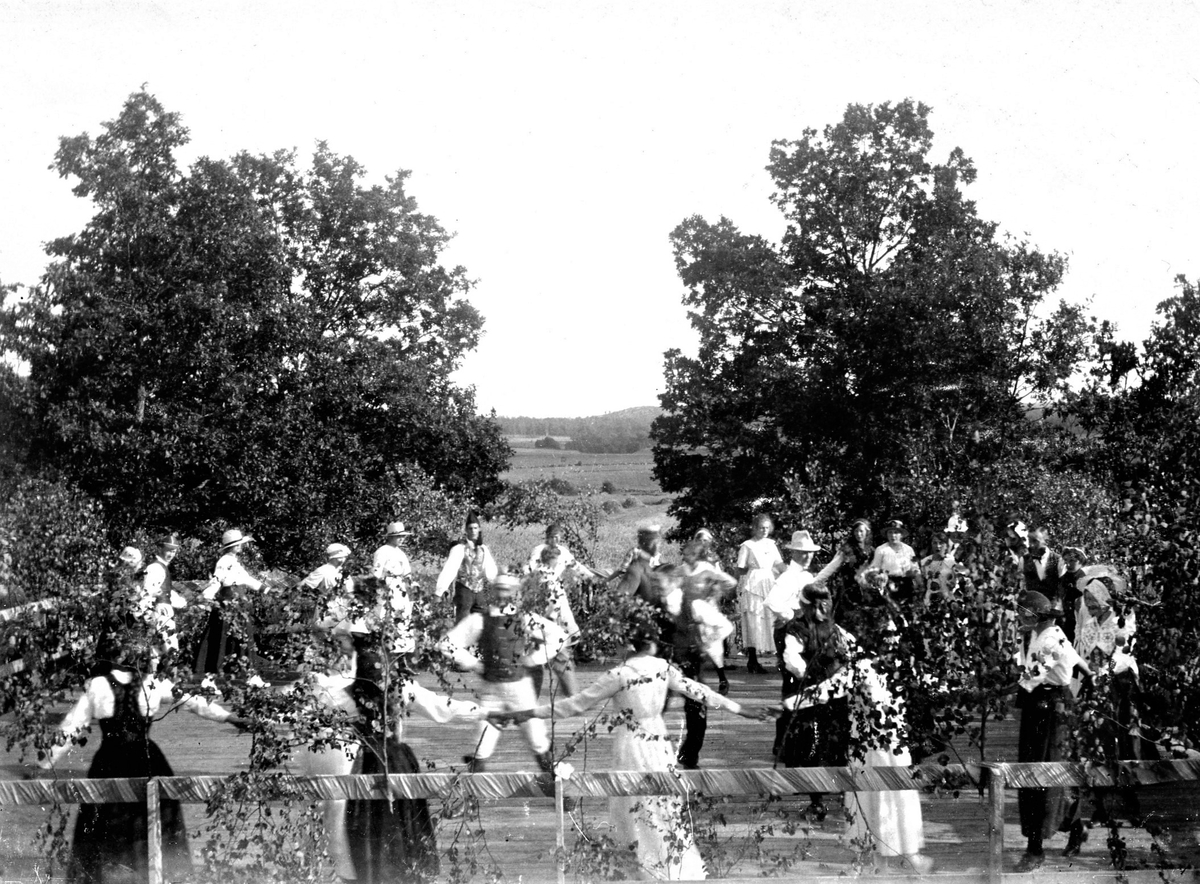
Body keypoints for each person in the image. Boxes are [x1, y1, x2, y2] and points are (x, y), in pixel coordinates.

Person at [494, 612, 767, 881]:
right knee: (663, 800)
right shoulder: (662, 668)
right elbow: (701, 692)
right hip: (658, 739)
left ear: (630, 644)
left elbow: (575, 704)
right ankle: (671, 859)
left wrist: (530, 712)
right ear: (653, 644)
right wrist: (740, 709)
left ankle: (640, 862)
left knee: (631, 799)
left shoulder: (619, 674)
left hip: (630, 741)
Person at [299, 576, 487, 882]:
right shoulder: (361, 686)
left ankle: (372, 874)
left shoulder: (365, 688)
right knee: (377, 826)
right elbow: (442, 706)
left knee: (375, 826)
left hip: (377, 762)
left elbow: (441, 706)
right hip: (379, 762)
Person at [40, 654, 242, 883]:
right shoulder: (137, 683)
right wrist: (229, 718)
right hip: (141, 761)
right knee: (131, 817)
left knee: (123, 816)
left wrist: (45, 762)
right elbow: (192, 701)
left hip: (115, 762)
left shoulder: (132, 683)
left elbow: (72, 725)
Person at [436, 574, 568, 791]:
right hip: (491, 690)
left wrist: (534, 658)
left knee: (537, 739)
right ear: (493, 590)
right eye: (499, 589)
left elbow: (559, 636)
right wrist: (475, 664)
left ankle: (557, 791)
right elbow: (447, 644)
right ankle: (469, 798)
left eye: (508, 590)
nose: (503, 594)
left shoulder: (525, 618)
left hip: (520, 689)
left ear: (514, 592)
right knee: (481, 744)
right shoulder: (480, 620)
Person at [1011, 590, 1092, 871]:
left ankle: (1035, 849)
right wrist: (1089, 675)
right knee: (1038, 772)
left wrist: (1001, 688)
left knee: (1044, 773)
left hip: (1050, 709)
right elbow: (1079, 661)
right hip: (1039, 705)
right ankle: (1074, 825)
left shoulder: (1050, 637)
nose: (1019, 616)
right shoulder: (1040, 633)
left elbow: (1032, 675)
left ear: (1035, 614)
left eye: (1023, 612)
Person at [839, 658, 932, 873]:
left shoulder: (895, 659)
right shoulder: (861, 664)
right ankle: (877, 856)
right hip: (872, 740)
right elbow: (875, 710)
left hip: (890, 738)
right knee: (875, 793)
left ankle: (905, 854)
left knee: (894, 792)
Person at [777, 583, 855, 820]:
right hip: (835, 695)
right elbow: (854, 654)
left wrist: (808, 677)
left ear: (803, 604)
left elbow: (791, 660)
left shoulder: (798, 629)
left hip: (812, 698)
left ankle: (818, 801)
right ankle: (836, 795)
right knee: (834, 744)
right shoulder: (838, 630)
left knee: (814, 746)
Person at [764, 530, 842, 758]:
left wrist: (837, 561)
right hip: (790, 633)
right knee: (792, 685)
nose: (807, 557)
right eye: (803, 553)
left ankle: (797, 742)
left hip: (804, 634)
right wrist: (793, 615)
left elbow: (819, 582)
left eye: (810, 553)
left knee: (804, 684)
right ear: (794, 553)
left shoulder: (806, 576)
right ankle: (783, 744)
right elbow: (771, 602)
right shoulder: (787, 577)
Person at [194, 528, 266, 676]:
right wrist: (205, 599)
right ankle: (211, 676)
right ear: (231, 546)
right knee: (221, 637)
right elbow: (217, 580)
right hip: (228, 603)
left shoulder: (235, 562)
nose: (240, 546)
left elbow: (247, 579)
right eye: (238, 544)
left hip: (239, 603)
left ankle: (247, 673)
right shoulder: (224, 561)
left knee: (242, 636)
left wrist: (266, 589)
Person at [735, 514, 784, 674]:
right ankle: (752, 660)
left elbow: (779, 564)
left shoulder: (771, 544)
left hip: (769, 581)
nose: (764, 530)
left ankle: (780, 659)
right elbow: (740, 567)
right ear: (754, 528)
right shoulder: (747, 546)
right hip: (753, 583)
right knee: (753, 618)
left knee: (771, 617)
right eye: (761, 527)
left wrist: (792, 573)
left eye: (767, 528)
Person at [435, 511, 498, 623]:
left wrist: (498, 585)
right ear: (466, 531)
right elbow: (449, 569)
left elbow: (491, 570)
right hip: (464, 590)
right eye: (470, 528)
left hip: (479, 591)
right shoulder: (459, 549)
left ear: (479, 529)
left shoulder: (483, 549)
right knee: (462, 625)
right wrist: (439, 591)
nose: (473, 531)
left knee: (482, 625)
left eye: (475, 528)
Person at [138, 533, 188, 666]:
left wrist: (183, 602)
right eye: (168, 550)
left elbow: (167, 592)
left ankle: (152, 682)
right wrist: (144, 614)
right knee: (170, 650)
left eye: (174, 551)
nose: (171, 554)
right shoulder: (155, 567)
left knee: (156, 652)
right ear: (161, 549)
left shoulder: (162, 567)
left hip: (161, 612)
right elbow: (147, 592)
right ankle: (170, 682)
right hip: (160, 614)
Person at [859, 520, 919, 604]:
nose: (893, 535)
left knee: (907, 612)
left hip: (906, 585)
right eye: (890, 532)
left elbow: (916, 569)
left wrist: (917, 581)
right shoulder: (881, 550)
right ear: (886, 535)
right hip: (888, 585)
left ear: (901, 535)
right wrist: (877, 577)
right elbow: (874, 568)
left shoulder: (909, 550)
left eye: (896, 532)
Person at [1023, 527, 1064, 603]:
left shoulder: (1059, 560)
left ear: (1046, 541)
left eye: (1035, 541)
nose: (1031, 545)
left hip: (1053, 609)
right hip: (1031, 609)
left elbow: (1062, 588)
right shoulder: (1024, 560)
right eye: (1029, 541)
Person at [1058, 546, 1088, 642]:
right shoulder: (1062, 579)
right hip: (1065, 620)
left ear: (1080, 561)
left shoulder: (1086, 579)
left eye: (1071, 560)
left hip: (1082, 621)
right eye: (1066, 560)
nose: (1067, 563)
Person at [920, 533, 958, 606]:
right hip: (929, 600)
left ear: (946, 546)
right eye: (935, 543)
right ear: (931, 544)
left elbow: (953, 584)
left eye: (941, 543)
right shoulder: (924, 562)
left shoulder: (950, 563)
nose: (938, 546)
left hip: (947, 600)